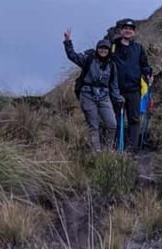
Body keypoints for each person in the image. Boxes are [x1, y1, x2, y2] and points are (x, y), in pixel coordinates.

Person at [63, 30, 123, 152]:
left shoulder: (111, 65)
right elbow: (72, 56)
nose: (103, 50)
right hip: (87, 95)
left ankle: (108, 151)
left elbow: (114, 84)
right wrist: (68, 42)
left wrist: (118, 98)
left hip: (104, 96)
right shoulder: (88, 59)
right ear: (97, 49)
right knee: (93, 126)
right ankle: (96, 152)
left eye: (106, 48)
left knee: (112, 124)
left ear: (109, 50)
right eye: (101, 48)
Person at [111, 19, 152, 153]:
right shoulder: (113, 46)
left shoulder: (138, 48)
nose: (128, 31)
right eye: (125, 28)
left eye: (131, 29)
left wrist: (148, 74)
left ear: (133, 32)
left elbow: (144, 65)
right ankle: (117, 146)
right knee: (117, 119)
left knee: (134, 119)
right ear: (121, 30)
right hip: (117, 90)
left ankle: (132, 149)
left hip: (134, 90)